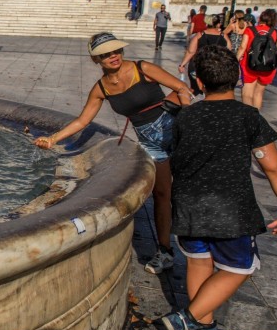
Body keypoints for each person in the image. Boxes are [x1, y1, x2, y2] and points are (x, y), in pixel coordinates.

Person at [161, 44, 277, 330]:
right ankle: (188, 319)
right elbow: (273, 166)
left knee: (198, 263)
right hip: (230, 209)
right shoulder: (248, 116)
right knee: (239, 268)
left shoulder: (185, 117)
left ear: (199, 82)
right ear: (236, 79)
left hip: (189, 206)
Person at [35, 32, 193, 274]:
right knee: (162, 193)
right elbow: (82, 121)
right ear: (96, 59)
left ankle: (201, 240)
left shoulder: (143, 68)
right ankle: (166, 251)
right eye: (106, 54)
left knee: (190, 185)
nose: (113, 56)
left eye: (116, 51)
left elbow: (182, 87)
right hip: (149, 141)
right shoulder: (100, 89)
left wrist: (191, 121)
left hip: (175, 126)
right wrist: (52, 138)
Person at [236, 9, 277, 110]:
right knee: (259, 94)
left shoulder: (250, 30)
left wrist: (235, 60)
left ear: (260, 18)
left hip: (249, 65)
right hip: (267, 66)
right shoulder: (276, 32)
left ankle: (249, 118)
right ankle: (257, 118)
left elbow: (242, 47)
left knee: (247, 94)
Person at [179, 15, 229, 95]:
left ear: (206, 23)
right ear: (218, 24)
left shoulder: (200, 35)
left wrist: (182, 65)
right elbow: (229, 51)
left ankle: (186, 104)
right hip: (216, 67)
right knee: (213, 91)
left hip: (198, 66)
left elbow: (191, 51)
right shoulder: (224, 36)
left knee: (194, 89)